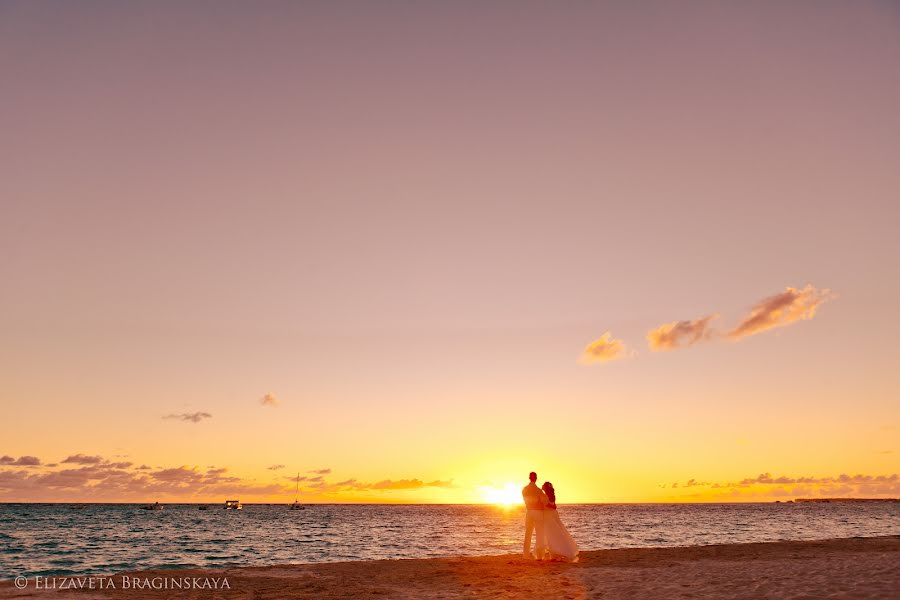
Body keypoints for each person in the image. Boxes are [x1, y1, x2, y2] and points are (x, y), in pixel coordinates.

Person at [541, 481, 579, 561]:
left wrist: (545, 505)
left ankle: (555, 554)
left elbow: (551, 506)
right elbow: (554, 507)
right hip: (553, 514)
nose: (542, 487)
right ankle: (554, 555)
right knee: (555, 533)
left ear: (545, 488)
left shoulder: (545, 496)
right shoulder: (551, 496)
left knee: (551, 534)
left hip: (549, 515)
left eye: (543, 486)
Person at [522, 471, 548, 559]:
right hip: (538, 512)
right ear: (536, 478)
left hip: (529, 512)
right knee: (539, 534)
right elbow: (545, 501)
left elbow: (526, 501)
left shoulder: (524, 489)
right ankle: (540, 556)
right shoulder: (539, 491)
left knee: (528, 534)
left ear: (529, 478)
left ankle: (525, 555)